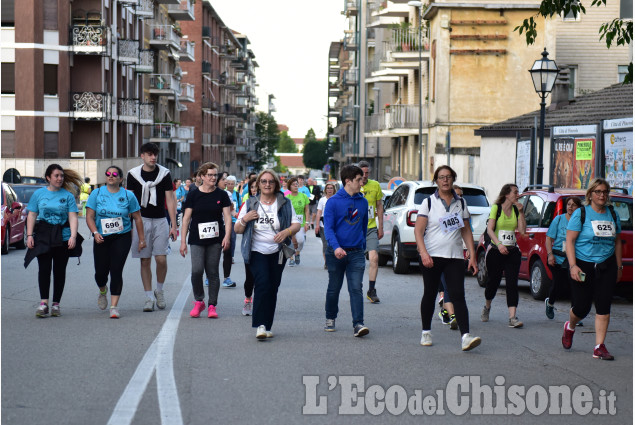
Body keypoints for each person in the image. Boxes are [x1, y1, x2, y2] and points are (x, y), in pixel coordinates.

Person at [415, 166, 481, 351]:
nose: (445, 180)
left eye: (449, 177)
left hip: (454, 257)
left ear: (453, 179)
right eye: (441, 177)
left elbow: (466, 230)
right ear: (436, 181)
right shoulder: (428, 203)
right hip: (432, 256)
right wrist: (424, 253)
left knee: (458, 295)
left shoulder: (461, 203)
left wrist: (472, 255)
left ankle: (466, 336)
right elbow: (418, 231)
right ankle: (426, 332)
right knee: (429, 293)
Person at [235, 170, 301, 339]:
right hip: (256, 251)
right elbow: (237, 229)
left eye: (270, 181)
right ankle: (260, 325)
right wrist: (245, 219)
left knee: (272, 287)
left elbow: (296, 224)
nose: (267, 184)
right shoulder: (250, 203)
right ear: (258, 184)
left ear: (276, 184)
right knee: (262, 283)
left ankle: (268, 325)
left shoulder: (284, 203)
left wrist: (286, 232)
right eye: (263, 181)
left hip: (278, 252)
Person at [562, 179, 622, 360]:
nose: (602, 195)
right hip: (583, 264)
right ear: (590, 194)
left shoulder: (612, 213)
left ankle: (599, 346)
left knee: (604, 306)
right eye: (598, 192)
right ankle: (570, 326)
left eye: (605, 192)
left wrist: (619, 266)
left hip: (607, 264)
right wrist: (573, 266)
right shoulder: (581, 213)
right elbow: (570, 241)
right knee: (582, 307)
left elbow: (617, 241)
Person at [24, 164, 84, 317]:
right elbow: (32, 215)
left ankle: (56, 304)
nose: (60, 178)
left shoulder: (68, 196)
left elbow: (72, 217)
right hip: (43, 234)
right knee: (44, 269)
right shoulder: (38, 194)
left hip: (62, 236)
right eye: (56, 176)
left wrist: (73, 236)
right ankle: (44, 303)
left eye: (61, 176)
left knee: (59, 270)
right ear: (48, 178)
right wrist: (29, 235)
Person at [85, 166, 145, 319]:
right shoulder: (96, 193)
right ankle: (102, 290)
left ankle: (114, 306)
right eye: (108, 174)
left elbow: (137, 218)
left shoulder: (128, 196)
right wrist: (95, 232)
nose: (111, 176)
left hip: (122, 237)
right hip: (102, 237)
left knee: (116, 270)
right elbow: (90, 216)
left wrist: (141, 239)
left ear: (120, 178)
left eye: (114, 174)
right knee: (100, 272)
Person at [126, 142, 178, 312]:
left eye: (155, 154)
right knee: (145, 259)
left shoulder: (164, 174)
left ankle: (159, 291)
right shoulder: (133, 175)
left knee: (161, 258)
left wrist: (174, 224)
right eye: (149, 154)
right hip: (141, 220)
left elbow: (170, 199)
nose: (153, 157)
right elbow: (130, 200)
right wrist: (130, 225)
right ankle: (149, 297)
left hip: (160, 220)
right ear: (142, 156)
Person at [179, 163, 232, 318]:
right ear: (201, 176)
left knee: (212, 271)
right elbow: (186, 219)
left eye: (215, 175)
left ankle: (212, 305)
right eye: (209, 175)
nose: (213, 178)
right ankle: (199, 301)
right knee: (196, 270)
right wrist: (183, 241)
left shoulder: (221, 195)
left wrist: (227, 237)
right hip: (196, 237)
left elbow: (227, 218)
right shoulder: (193, 194)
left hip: (216, 238)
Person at [323, 165, 370, 337]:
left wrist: (362, 245)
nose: (361, 182)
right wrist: (336, 247)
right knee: (334, 287)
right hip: (336, 253)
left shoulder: (363, 202)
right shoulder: (333, 202)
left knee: (356, 288)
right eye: (358, 180)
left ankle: (358, 324)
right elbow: (328, 229)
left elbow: (363, 227)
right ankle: (330, 317)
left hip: (356, 252)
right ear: (347, 181)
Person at [481, 183, 526, 328]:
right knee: (493, 282)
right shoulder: (496, 208)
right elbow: (489, 230)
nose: (517, 194)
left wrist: (521, 212)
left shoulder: (515, 209)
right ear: (506, 194)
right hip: (496, 250)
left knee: (512, 283)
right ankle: (487, 306)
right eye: (515, 192)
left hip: (512, 251)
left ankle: (512, 317)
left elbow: (522, 231)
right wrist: (499, 244)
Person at [545, 196, 582, 319]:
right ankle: (550, 303)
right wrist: (550, 255)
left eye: (574, 205)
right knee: (558, 284)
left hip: (574, 259)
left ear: (579, 208)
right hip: (558, 258)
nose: (570, 207)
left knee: (575, 286)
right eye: (568, 204)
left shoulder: (581, 221)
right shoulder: (559, 219)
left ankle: (575, 315)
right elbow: (549, 238)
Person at [358, 160, 384, 303]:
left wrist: (381, 227)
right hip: (356, 230)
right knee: (357, 262)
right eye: (362, 173)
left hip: (371, 228)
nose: (365, 175)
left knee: (374, 258)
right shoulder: (352, 186)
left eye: (367, 173)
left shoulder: (375, 185)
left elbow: (379, 206)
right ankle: (356, 287)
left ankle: (371, 290)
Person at [239, 177, 258, 316]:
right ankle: (247, 299)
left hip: (269, 248)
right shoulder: (247, 204)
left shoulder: (273, 203)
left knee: (263, 278)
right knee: (250, 277)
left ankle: (261, 303)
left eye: (257, 186)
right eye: (252, 187)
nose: (255, 189)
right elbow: (238, 227)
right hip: (251, 246)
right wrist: (246, 219)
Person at [285, 177, 310, 266]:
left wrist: (307, 222)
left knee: (300, 240)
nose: (296, 186)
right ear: (289, 187)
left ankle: (297, 252)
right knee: (290, 241)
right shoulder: (287, 197)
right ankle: (291, 258)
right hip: (290, 223)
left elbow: (307, 210)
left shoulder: (303, 196)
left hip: (301, 223)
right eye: (293, 184)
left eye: (296, 184)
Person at [217, 171, 236, 287]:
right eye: (223, 180)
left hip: (225, 226)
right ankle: (209, 277)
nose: (226, 182)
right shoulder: (208, 193)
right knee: (213, 253)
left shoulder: (227, 194)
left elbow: (231, 209)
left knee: (227, 252)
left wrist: (239, 216)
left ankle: (226, 278)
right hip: (213, 228)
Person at [315, 182, 336, 269]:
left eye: (331, 188)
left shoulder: (336, 199)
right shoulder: (322, 200)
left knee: (333, 243)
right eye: (328, 188)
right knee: (326, 244)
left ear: (334, 190)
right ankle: (327, 262)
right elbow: (319, 212)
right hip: (323, 224)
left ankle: (334, 261)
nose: (329, 190)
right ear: (325, 190)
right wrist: (317, 225)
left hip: (335, 224)